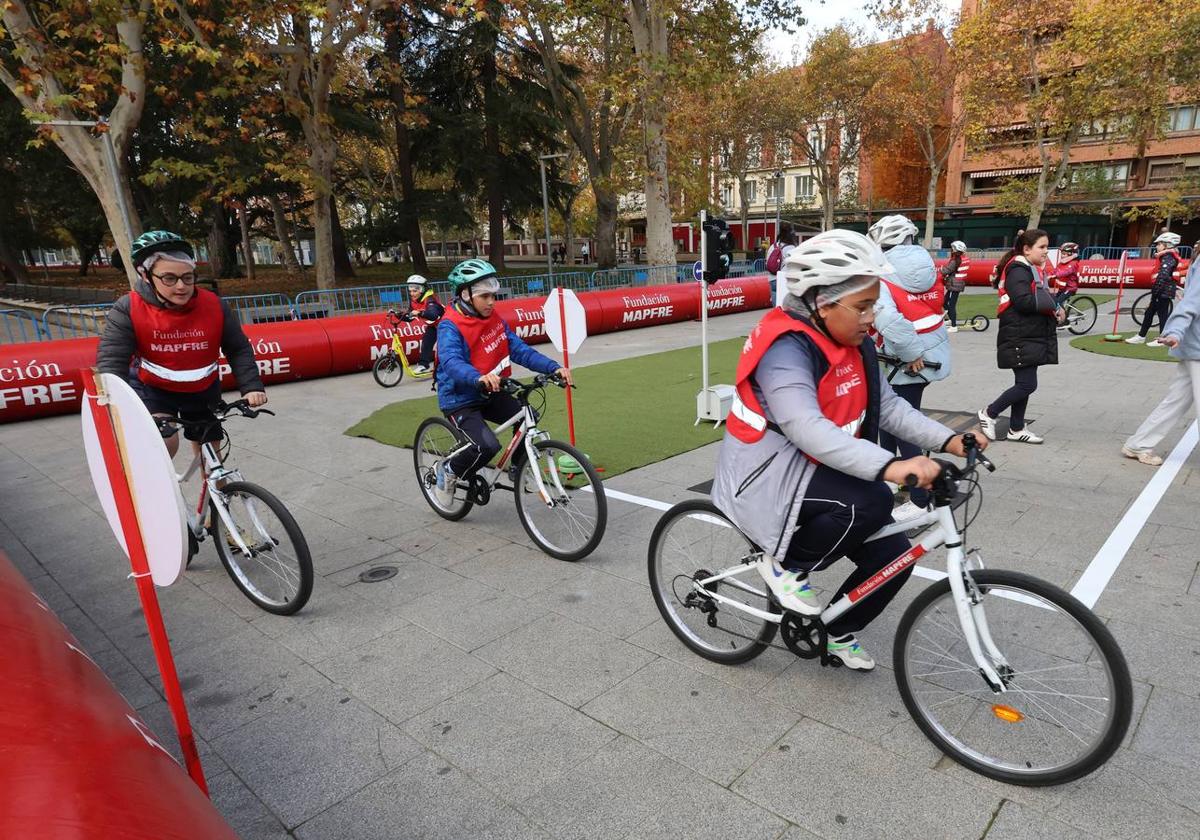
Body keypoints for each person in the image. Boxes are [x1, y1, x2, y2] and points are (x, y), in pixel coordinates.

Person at [711, 230, 986, 671]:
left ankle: (837, 630)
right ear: (822, 302)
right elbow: (806, 427)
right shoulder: (785, 348)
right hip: (765, 474)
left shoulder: (854, 344)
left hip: (815, 469)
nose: (872, 317)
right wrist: (892, 466)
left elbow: (890, 408)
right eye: (862, 306)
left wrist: (949, 439)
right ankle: (785, 566)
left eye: (874, 304)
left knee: (894, 555)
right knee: (872, 498)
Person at [96, 230, 266, 459]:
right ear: (145, 275)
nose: (181, 286)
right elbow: (113, 359)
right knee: (165, 443)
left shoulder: (213, 304)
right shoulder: (128, 307)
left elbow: (238, 348)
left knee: (212, 454)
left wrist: (251, 386)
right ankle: (155, 491)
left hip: (203, 389)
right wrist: (115, 404)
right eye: (169, 278)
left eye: (188, 277)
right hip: (154, 390)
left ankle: (217, 493)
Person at [433, 258, 572, 505]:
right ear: (466, 295)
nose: (491, 302)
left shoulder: (494, 319)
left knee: (527, 416)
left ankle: (519, 469)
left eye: (493, 296)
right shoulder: (450, 326)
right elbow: (451, 362)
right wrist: (477, 377)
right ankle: (448, 471)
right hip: (460, 397)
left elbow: (518, 350)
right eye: (484, 296)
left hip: (490, 390)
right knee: (487, 446)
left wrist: (554, 368)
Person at [867, 215, 952, 520]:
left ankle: (920, 500)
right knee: (890, 420)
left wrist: (910, 351)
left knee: (903, 426)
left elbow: (887, 318)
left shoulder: (884, 271)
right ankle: (896, 479)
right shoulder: (925, 265)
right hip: (931, 352)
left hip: (904, 358)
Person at [977, 229, 1061, 445]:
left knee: (1024, 382)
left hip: (1027, 334)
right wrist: (1052, 306)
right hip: (1019, 335)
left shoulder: (1028, 268)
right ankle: (989, 412)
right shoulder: (1018, 269)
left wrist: (1056, 307)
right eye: (1042, 247)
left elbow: (1036, 296)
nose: (1046, 252)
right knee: (1027, 384)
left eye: (1047, 247)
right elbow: (1024, 301)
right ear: (1026, 249)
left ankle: (1016, 427)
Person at [1121, 238, 1200, 466]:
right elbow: (1191, 302)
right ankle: (1139, 444)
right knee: (1175, 401)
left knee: (1175, 401)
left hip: (1192, 345)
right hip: (1195, 345)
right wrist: (1174, 331)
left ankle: (1139, 444)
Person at [1126, 232, 1183, 346]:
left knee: (1162, 314)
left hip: (1163, 290)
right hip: (1162, 289)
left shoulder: (1168, 257)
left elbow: (1163, 275)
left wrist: (1156, 291)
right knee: (1149, 313)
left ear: (1167, 244)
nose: (1156, 246)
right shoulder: (1167, 256)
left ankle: (1163, 339)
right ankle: (1141, 336)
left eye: (1159, 244)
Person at [402, 274, 444, 374]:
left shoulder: (430, 300)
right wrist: (399, 315)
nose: (412, 294)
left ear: (421, 290)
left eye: (415, 291)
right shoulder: (414, 301)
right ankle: (423, 366)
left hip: (445, 325)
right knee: (426, 343)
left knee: (444, 347)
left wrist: (420, 313)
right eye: (410, 291)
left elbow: (433, 315)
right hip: (433, 326)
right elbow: (409, 317)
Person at [940, 240, 970, 332]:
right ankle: (949, 320)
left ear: (957, 249)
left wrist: (941, 269)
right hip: (956, 284)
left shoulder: (956, 260)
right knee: (945, 302)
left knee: (950, 305)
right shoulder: (961, 258)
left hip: (954, 285)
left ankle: (953, 326)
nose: (951, 250)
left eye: (953, 248)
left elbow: (947, 270)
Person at [767, 222, 799, 305]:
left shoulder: (773, 246)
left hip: (772, 279)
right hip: (784, 280)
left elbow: (767, 262)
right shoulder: (791, 248)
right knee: (786, 308)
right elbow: (795, 265)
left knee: (776, 308)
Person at [1051, 242, 1081, 308]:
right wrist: (1047, 275)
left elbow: (1066, 272)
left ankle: (1063, 317)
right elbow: (1055, 270)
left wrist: (1056, 276)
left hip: (1070, 288)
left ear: (1071, 254)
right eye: (1062, 253)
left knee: (1058, 302)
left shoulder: (1073, 263)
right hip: (1062, 288)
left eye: (1064, 254)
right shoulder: (1061, 263)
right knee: (1053, 300)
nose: (1062, 256)